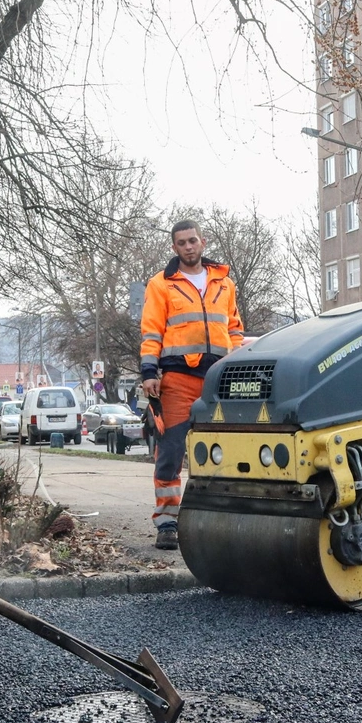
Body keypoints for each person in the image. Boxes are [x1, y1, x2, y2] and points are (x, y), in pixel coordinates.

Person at [140, 220, 244, 549]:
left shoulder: (224, 283)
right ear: (175, 248)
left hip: (218, 381)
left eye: (193, 240)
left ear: (203, 242)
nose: (188, 246)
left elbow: (235, 328)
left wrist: (238, 366)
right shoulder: (161, 284)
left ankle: (218, 517)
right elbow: (151, 331)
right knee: (171, 450)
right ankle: (168, 522)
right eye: (182, 242)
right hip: (177, 379)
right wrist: (148, 373)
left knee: (225, 451)